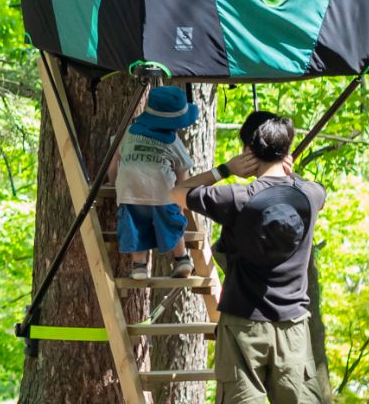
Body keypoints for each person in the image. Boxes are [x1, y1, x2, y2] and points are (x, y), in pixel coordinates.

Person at [175, 110, 328, 404]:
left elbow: (176, 191)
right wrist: (288, 172)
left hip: (243, 325)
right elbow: (313, 190)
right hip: (294, 328)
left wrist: (225, 169)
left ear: (249, 151)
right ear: (286, 151)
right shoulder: (311, 195)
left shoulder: (236, 198)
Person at [115, 85, 198, 280]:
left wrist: (113, 182)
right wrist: (180, 201)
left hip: (130, 191)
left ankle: (139, 267)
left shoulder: (129, 132)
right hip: (162, 194)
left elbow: (114, 159)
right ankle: (182, 259)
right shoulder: (171, 141)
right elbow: (182, 171)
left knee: (135, 225)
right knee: (172, 223)